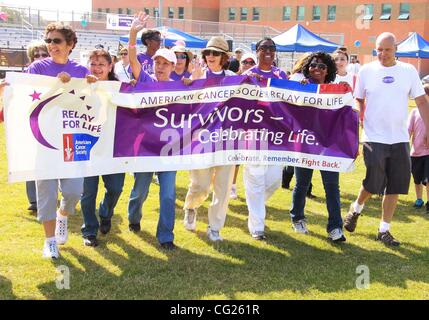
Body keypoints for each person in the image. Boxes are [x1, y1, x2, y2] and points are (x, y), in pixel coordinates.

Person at [344, 32, 429, 246]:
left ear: (396, 50)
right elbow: (359, 99)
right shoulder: (367, 70)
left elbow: (421, 101)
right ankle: (356, 208)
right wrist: (359, 117)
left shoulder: (408, 71)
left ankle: (384, 230)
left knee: (395, 186)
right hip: (373, 137)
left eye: (387, 49)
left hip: (400, 139)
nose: (382, 54)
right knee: (373, 183)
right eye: (379, 49)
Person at [26, 22, 90, 258]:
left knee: (74, 190)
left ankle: (64, 213)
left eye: (57, 41)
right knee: (46, 192)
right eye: (49, 40)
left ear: (70, 44)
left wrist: (92, 87)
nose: (51, 45)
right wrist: (56, 85)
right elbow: (28, 99)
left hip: (71, 140)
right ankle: (50, 240)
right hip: (44, 140)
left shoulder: (81, 71)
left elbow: (88, 104)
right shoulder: (36, 67)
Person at [127, 12, 178, 250]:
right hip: (145, 147)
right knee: (140, 191)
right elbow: (134, 63)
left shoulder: (180, 88)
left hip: (169, 148)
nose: (160, 66)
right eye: (157, 62)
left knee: (168, 195)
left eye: (165, 63)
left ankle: (166, 236)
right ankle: (133, 219)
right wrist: (133, 34)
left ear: (173, 67)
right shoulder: (146, 80)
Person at [289, 51, 346, 242]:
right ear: (307, 68)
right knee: (302, 183)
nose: (317, 69)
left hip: (328, 146)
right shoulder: (301, 87)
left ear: (328, 70)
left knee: (332, 186)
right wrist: (299, 91)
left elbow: (345, 115)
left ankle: (336, 228)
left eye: (322, 66)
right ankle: (297, 218)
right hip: (305, 143)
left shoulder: (336, 91)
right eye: (313, 65)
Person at [183, 36, 236, 242]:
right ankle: (191, 206)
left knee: (223, 187)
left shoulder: (233, 77)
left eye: (215, 53)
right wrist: (192, 83)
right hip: (201, 140)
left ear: (224, 57)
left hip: (227, 139)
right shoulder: (197, 74)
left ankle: (215, 227)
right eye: (208, 53)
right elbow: (187, 105)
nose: (211, 56)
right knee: (201, 184)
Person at [242, 38, 287, 240]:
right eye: (263, 48)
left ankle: (255, 205)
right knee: (256, 180)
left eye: (271, 48)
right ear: (257, 51)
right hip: (254, 135)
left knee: (274, 181)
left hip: (276, 136)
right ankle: (257, 227)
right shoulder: (248, 76)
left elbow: (290, 99)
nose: (268, 52)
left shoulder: (281, 75)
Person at [80, 49, 126, 247]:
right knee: (88, 192)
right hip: (87, 148)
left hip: (114, 148)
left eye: (101, 64)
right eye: (93, 64)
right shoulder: (80, 87)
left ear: (110, 67)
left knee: (115, 188)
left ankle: (106, 212)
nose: (97, 68)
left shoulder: (120, 88)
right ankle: (89, 230)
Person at [283, 52, 315, 199]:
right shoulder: (297, 78)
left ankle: (290, 180)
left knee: (302, 155)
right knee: (298, 154)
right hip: (296, 122)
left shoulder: (316, 79)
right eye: (311, 64)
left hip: (311, 123)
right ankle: (303, 185)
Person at [25, 40, 50, 213]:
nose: (40, 58)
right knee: (32, 160)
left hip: (52, 123)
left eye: (43, 54)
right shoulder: (24, 77)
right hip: (32, 123)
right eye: (37, 55)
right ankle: (34, 199)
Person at [408, 84, 429, 213]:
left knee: (427, 179)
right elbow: (408, 130)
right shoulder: (415, 112)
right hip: (415, 152)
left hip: (428, 152)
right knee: (417, 179)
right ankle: (419, 199)